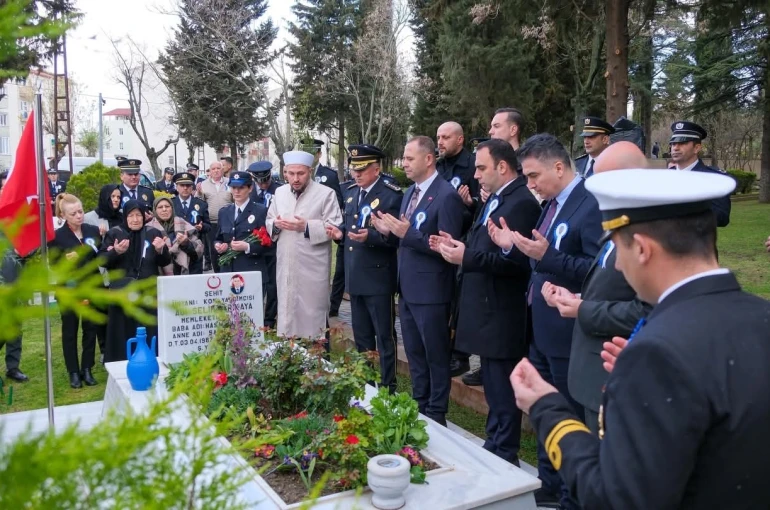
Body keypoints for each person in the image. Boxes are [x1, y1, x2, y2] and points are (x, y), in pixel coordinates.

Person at [510, 168, 770, 509]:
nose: (617, 265)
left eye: (618, 248)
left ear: (643, 249)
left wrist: (547, 409)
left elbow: (616, 497)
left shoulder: (657, 352)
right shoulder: (759, 316)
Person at [488, 133, 602, 510]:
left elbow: (596, 271)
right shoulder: (551, 204)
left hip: (569, 333)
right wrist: (515, 245)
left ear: (558, 166)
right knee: (542, 411)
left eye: (534, 175)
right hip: (541, 328)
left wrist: (547, 256)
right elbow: (540, 256)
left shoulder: (590, 204)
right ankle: (548, 485)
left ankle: (570, 494)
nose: (531, 184)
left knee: (567, 416)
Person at [433, 139, 540, 464]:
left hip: (503, 314)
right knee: (494, 389)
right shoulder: (498, 198)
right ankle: (495, 450)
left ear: (503, 167)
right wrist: (459, 244)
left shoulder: (520, 202)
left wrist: (468, 257)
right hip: (486, 311)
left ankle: (503, 456)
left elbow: (518, 263)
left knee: (503, 392)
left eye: (481, 167)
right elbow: (483, 241)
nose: (475, 174)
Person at [541, 141, 653, 435]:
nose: (593, 190)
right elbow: (608, 283)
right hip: (591, 374)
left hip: (617, 375)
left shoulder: (650, 231)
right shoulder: (618, 221)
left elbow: (649, 311)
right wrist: (578, 297)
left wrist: (583, 309)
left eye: (601, 181)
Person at [372, 136, 465, 426]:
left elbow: (448, 248)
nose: (404, 164)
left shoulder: (446, 195)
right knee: (414, 351)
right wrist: (387, 230)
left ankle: (437, 412)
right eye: (404, 157)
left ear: (428, 159)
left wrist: (406, 233)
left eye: (410, 158)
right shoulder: (410, 191)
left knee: (435, 354)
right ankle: (420, 402)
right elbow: (406, 237)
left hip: (433, 289)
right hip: (408, 287)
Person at [326, 144, 403, 393]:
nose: (356, 174)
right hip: (355, 277)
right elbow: (350, 235)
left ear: (376, 168)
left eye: (362, 169)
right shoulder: (350, 193)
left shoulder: (391, 194)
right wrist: (340, 235)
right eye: (353, 169)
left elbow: (396, 239)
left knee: (385, 336)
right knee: (362, 337)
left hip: (378, 277)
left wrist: (369, 237)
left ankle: (388, 385)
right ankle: (366, 384)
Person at [266, 150, 342, 340]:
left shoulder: (326, 194)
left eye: (301, 173)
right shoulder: (279, 192)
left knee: (313, 317)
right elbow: (269, 219)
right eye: (291, 174)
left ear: (310, 171)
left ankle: (317, 362)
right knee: (287, 314)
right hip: (287, 264)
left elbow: (335, 226)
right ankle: (289, 358)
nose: (296, 178)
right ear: (285, 172)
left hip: (312, 267)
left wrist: (306, 226)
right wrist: (274, 225)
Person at [100, 200, 171, 362]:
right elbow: (102, 261)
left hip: (148, 292)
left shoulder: (153, 232)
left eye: (138, 215)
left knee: (148, 328)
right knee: (123, 329)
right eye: (131, 216)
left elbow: (164, 261)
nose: (135, 219)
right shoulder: (115, 233)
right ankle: (121, 360)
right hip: (123, 293)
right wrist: (115, 252)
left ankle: (151, 359)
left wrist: (161, 249)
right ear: (125, 217)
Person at [49, 194, 102, 388]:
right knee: (70, 331)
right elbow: (54, 266)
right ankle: (73, 371)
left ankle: (87, 368)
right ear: (63, 215)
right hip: (69, 290)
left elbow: (100, 256)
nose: (79, 216)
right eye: (73, 213)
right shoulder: (56, 236)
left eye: (80, 211)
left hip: (91, 288)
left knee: (90, 330)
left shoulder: (93, 230)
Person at [83, 183, 122, 360]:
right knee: (102, 313)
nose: (115, 200)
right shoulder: (90, 217)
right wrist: (100, 236)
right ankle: (105, 350)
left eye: (118, 197)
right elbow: (86, 243)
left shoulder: (121, 217)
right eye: (112, 197)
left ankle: (116, 346)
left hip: (118, 269)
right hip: (99, 271)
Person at [669, 120, 731, 227]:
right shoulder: (664, 177)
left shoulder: (714, 178)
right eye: (673, 143)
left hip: (695, 242)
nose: (675, 148)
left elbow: (722, 217)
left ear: (696, 148)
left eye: (682, 143)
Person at [214, 171, 270, 279]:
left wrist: (247, 247)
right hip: (228, 271)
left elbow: (269, 245)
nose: (236, 191)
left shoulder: (260, 211)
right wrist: (219, 245)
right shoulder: (224, 212)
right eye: (233, 187)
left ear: (250, 188)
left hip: (250, 271)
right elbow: (218, 238)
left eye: (241, 187)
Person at [248, 161, 280, 329]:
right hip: (254, 244)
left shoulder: (280, 190)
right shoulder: (249, 191)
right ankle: (254, 318)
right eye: (259, 181)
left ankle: (269, 320)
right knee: (256, 283)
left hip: (275, 243)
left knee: (273, 284)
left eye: (265, 180)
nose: (263, 184)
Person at [147, 197, 204, 275]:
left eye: (167, 206)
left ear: (172, 208)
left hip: (183, 275)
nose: (164, 209)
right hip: (158, 276)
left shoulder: (184, 225)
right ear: (155, 210)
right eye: (160, 207)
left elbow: (198, 253)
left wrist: (186, 244)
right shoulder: (148, 229)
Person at [171, 172, 210, 275]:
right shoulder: (171, 203)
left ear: (192, 187)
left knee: (195, 280)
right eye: (182, 185)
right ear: (177, 187)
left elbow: (208, 226)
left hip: (195, 249)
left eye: (188, 185)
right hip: (177, 249)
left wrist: (201, 227)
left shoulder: (201, 204)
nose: (185, 188)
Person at [197, 160, 232, 273]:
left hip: (228, 221)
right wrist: (199, 193)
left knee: (229, 247)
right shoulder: (203, 185)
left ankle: (229, 272)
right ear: (210, 172)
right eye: (213, 169)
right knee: (214, 249)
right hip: (212, 222)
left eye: (218, 168)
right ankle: (218, 273)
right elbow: (200, 204)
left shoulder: (230, 182)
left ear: (222, 170)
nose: (216, 171)